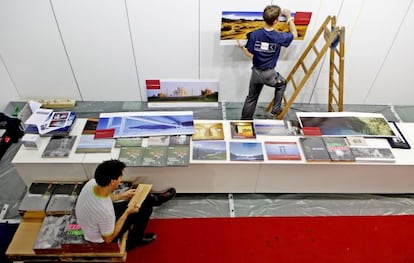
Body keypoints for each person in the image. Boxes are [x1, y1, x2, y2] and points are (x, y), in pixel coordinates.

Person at [75, 159, 176, 251]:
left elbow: (106, 197)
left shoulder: (92, 184)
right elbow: (109, 239)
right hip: (99, 236)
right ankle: (135, 241)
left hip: (93, 219)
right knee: (143, 208)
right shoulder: (105, 212)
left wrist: (122, 196)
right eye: (120, 177)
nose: (121, 180)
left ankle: (155, 200)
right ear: (113, 181)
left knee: (146, 200)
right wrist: (127, 213)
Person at [239, 5, 298, 120]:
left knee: (251, 98)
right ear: (276, 21)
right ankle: (276, 108)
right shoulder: (278, 37)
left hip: (255, 72)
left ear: (263, 18)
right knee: (282, 84)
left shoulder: (254, 35)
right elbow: (294, 34)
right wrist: (289, 18)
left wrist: (242, 47)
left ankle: (244, 122)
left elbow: (251, 55)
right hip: (269, 74)